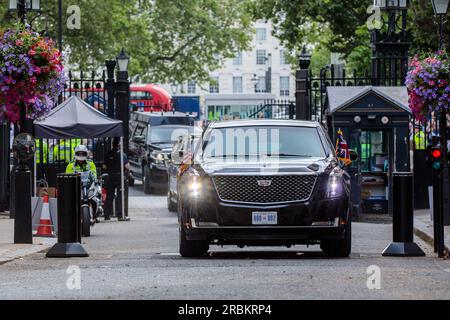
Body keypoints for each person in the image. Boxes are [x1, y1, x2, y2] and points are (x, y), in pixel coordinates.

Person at [102, 139, 129, 220]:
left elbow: (104, 166)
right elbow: (127, 166)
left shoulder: (108, 154)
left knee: (109, 196)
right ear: (119, 145)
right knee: (120, 196)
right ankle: (120, 215)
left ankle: (107, 215)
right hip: (119, 177)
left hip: (110, 177)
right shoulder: (122, 154)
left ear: (112, 145)